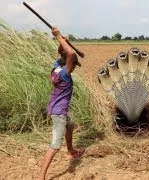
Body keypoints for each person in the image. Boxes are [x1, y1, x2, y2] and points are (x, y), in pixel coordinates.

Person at [39, 27, 84, 180]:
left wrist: (63, 41)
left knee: (70, 125)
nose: (73, 68)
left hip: (55, 108)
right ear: (69, 65)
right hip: (59, 113)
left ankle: (70, 151)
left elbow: (62, 53)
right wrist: (58, 36)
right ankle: (41, 176)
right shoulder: (65, 75)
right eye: (73, 65)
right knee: (55, 146)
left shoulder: (56, 68)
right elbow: (70, 54)